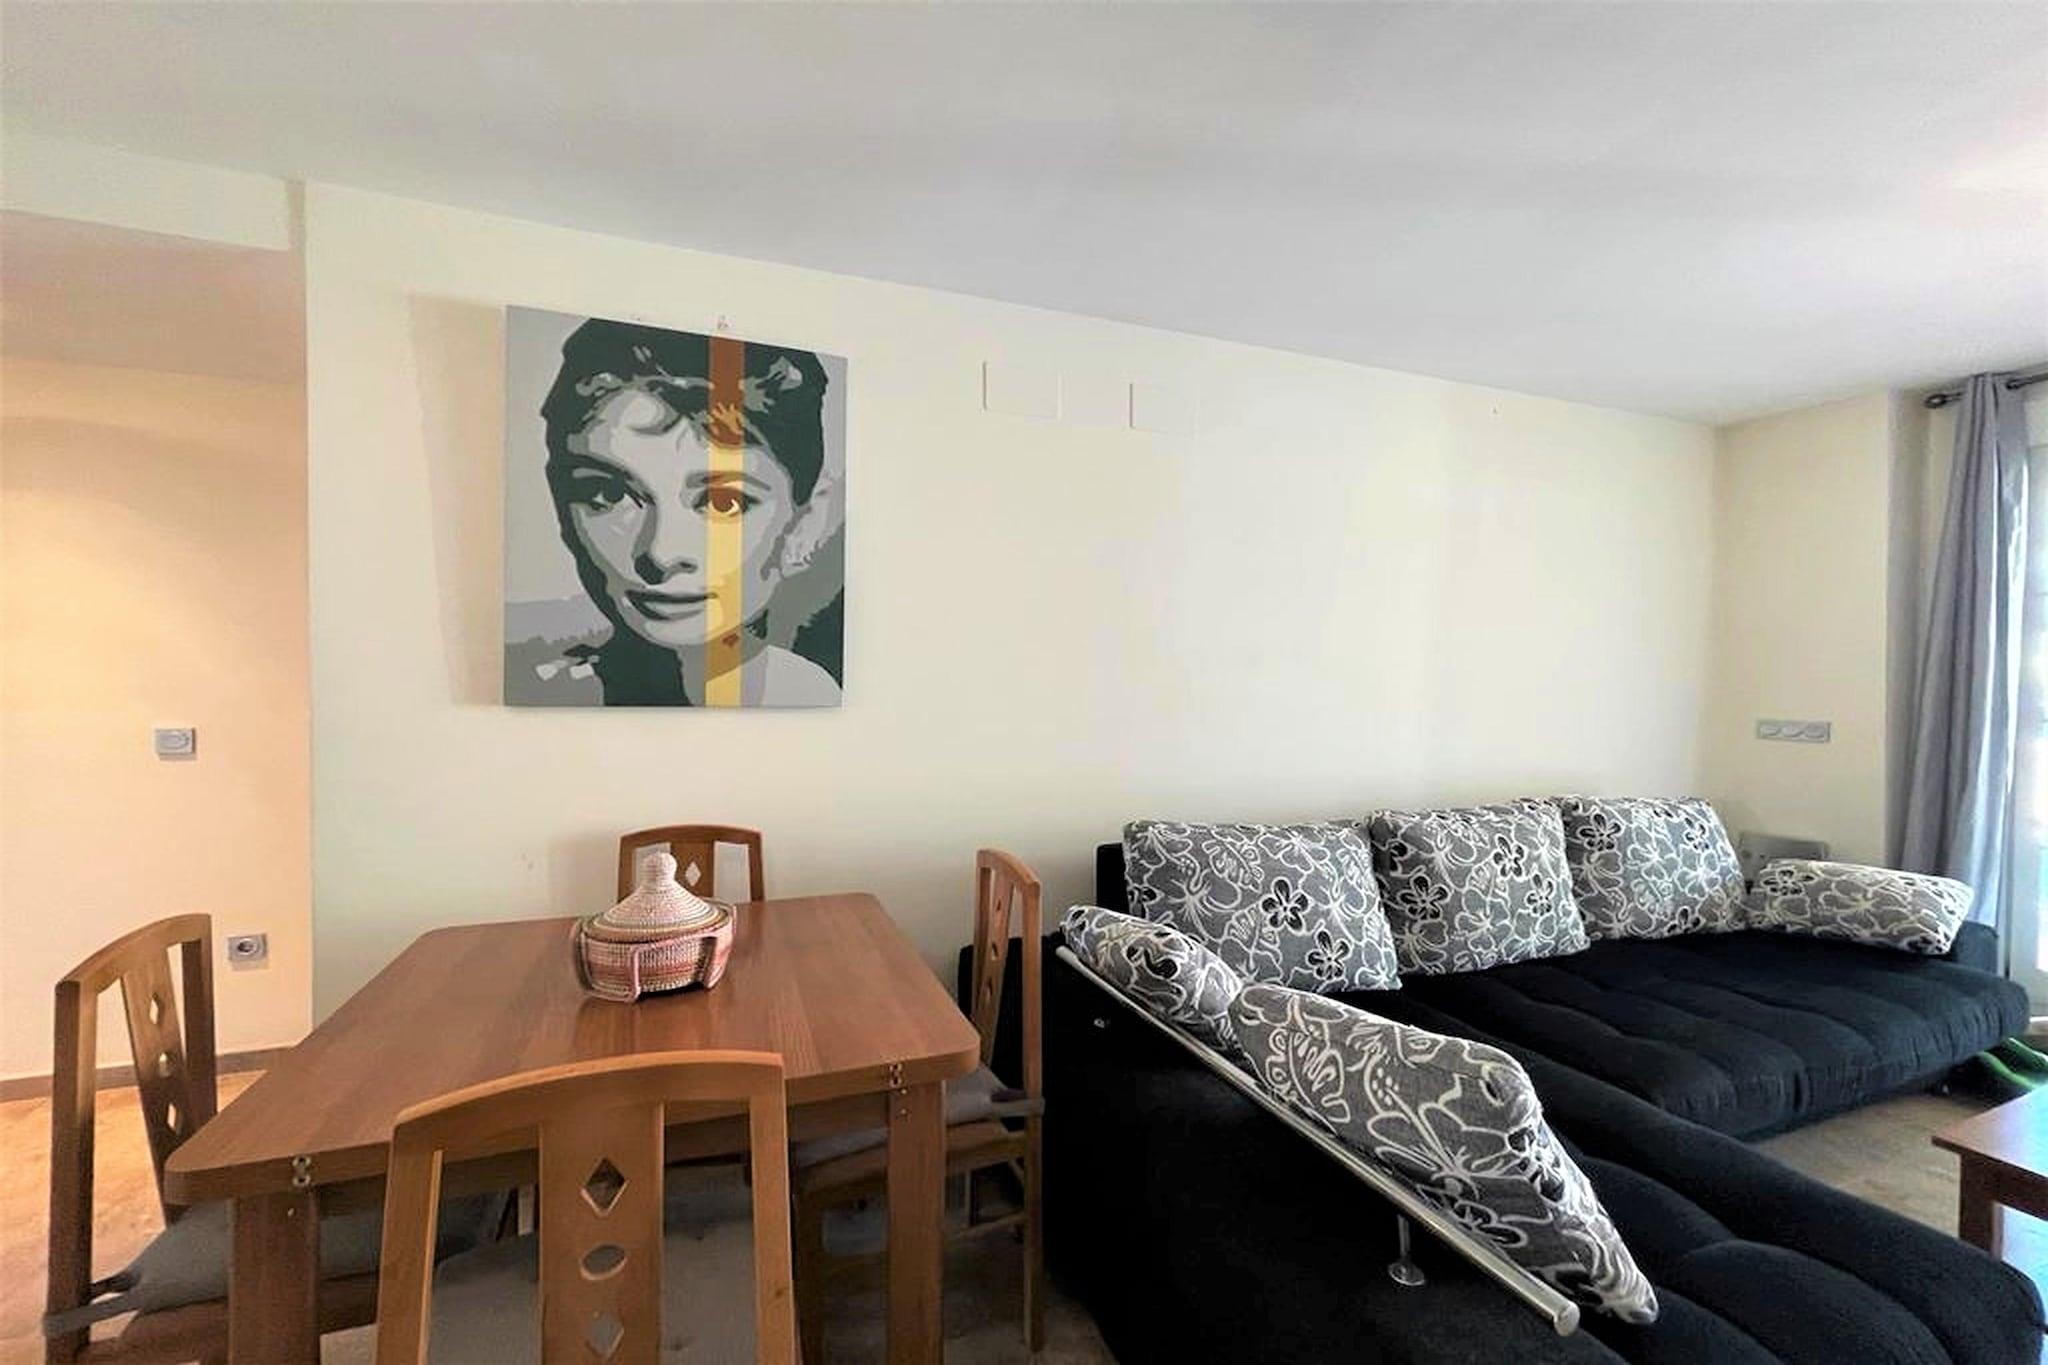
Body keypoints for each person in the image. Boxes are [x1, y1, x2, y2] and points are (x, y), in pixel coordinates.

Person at [526, 319, 843, 706]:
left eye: (723, 502)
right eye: (609, 493)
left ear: (804, 524)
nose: (660, 555)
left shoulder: (816, 696)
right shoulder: (548, 694)